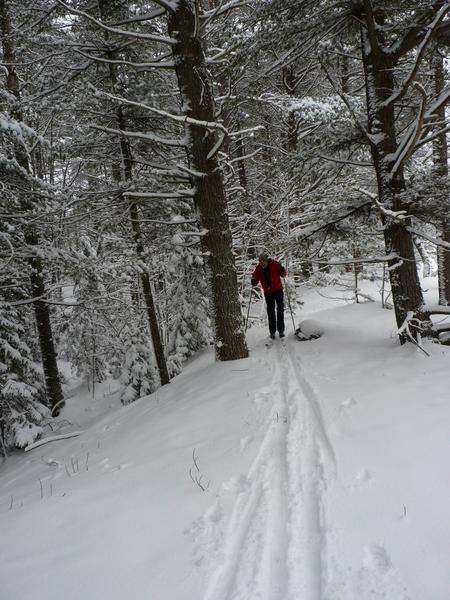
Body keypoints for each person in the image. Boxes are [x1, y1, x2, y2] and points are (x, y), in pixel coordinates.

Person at [251, 253, 286, 339]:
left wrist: (282, 270)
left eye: (263, 260)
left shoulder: (275, 264)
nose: (262, 262)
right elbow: (255, 277)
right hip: (268, 292)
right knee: (270, 311)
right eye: (260, 261)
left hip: (278, 290)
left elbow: (284, 275)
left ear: (267, 260)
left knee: (280, 309)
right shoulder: (258, 268)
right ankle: (272, 332)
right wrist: (254, 281)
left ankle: (281, 330)